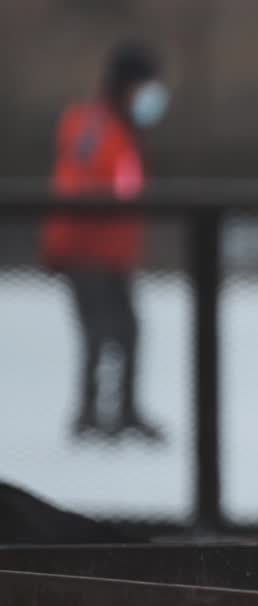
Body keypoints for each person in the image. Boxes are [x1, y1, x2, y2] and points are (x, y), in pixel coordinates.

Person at [42, 41, 169, 442]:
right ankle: (89, 414)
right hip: (85, 249)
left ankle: (124, 410)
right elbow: (77, 181)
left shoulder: (123, 129)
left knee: (127, 330)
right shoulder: (94, 126)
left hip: (113, 252)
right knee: (98, 332)